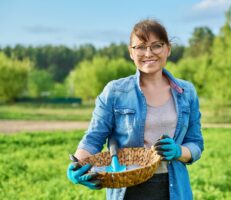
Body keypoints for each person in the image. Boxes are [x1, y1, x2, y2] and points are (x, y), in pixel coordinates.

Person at [67, 19, 204, 200]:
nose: (148, 53)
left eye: (156, 46)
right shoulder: (115, 92)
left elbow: (195, 144)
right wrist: (78, 164)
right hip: (127, 189)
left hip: (174, 189)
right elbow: (93, 138)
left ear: (168, 49)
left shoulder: (187, 92)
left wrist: (178, 151)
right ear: (131, 52)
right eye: (140, 47)